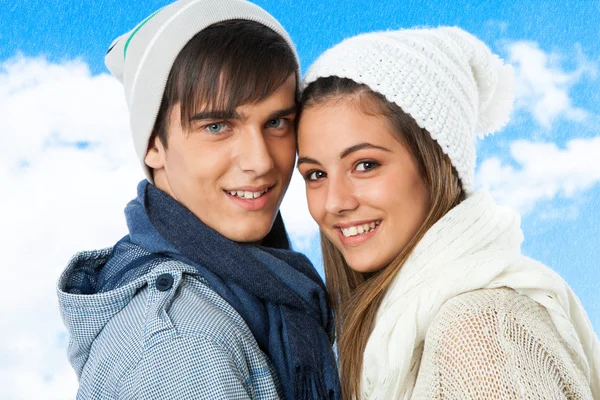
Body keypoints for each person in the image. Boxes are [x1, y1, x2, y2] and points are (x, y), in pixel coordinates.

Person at [296, 27, 600, 399]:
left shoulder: (479, 331)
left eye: (365, 165)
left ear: (437, 164)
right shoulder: (397, 329)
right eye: (316, 174)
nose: (334, 202)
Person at [56, 0, 340, 398]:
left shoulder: (242, 298)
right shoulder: (184, 347)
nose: (260, 162)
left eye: (276, 122)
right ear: (153, 144)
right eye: (218, 126)